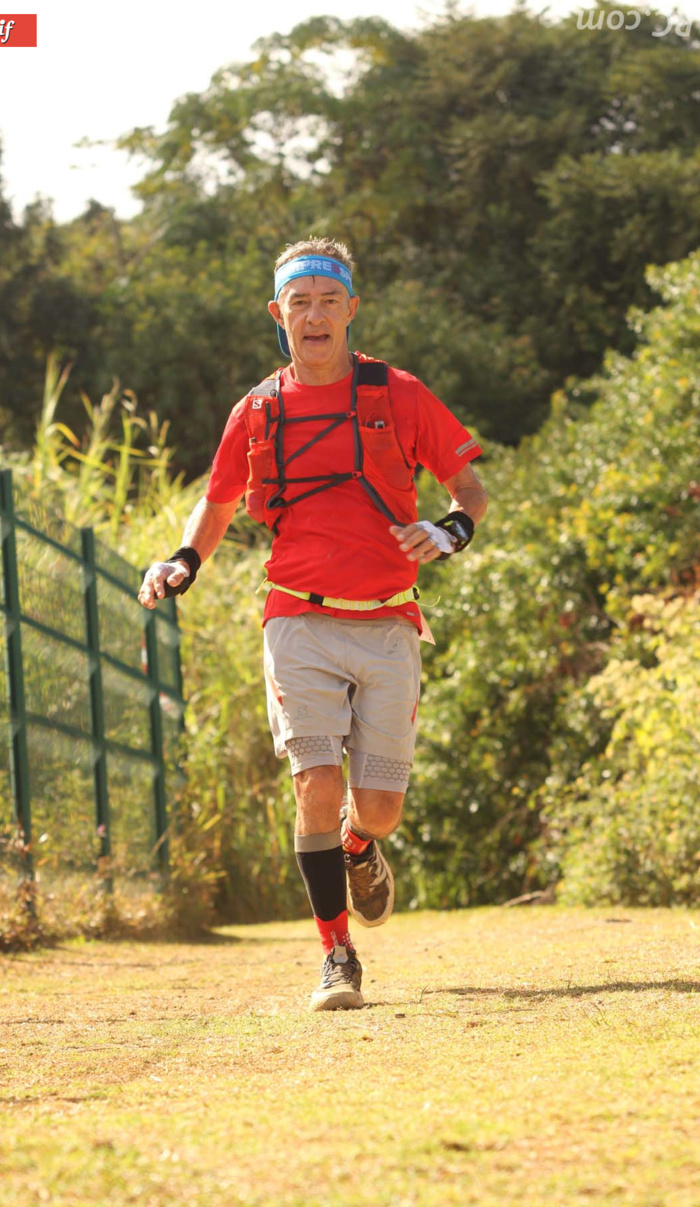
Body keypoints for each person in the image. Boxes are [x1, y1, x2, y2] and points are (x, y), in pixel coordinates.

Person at [138, 238, 488, 1011]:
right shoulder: (258, 410)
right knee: (314, 784)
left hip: (390, 619)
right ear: (279, 315)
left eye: (330, 300)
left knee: (379, 807)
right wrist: (182, 561)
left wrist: (449, 529)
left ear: (352, 309)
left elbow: (469, 486)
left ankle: (361, 846)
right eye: (301, 302)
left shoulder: (398, 394)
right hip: (296, 619)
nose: (316, 315)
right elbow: (219, 499)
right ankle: (338, 957)